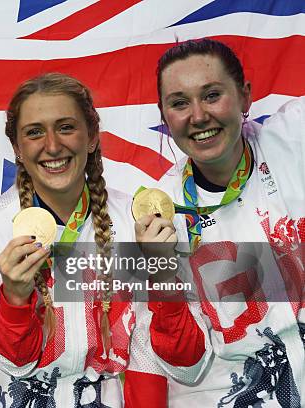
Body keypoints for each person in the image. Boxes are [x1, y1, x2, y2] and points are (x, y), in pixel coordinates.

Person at [0, 73, 176, 407]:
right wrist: (15, 300)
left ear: (91, 136)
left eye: (66, 127)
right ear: (17, 148)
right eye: (34, 132)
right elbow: (12, 361)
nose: (52, 145)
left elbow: (149, 355)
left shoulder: (133, 222)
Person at [140, 38, 304, 407]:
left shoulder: (294, 141)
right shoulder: (158, 218)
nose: (198, 116)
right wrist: (161, 272)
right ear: (164, 116)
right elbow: (187, 368)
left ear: (245, 97)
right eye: (180, 103)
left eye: (212, 95)